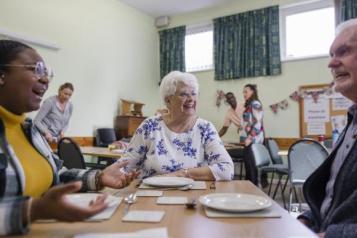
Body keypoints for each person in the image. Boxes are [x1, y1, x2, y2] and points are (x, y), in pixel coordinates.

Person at [0, 40, 139, 235]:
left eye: (47, 73)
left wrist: (99, 177)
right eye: (36, 69)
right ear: (2, 75)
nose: (46, 80)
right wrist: (32, 210)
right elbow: (38, 206)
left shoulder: (29, 130)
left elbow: (57, 176)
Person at [297, 19, 357, 238]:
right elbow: (336, 194)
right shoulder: (352, 119)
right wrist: (307, 218)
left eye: (343, 51)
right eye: (331, 55)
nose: (331, 64)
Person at [120, 71, 234, 180]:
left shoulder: (205, 128)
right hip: (151, 195)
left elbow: (227, 169)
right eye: (183, 94)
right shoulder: (150, 126)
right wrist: (104, 178)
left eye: (194, 93)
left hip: (193, 195)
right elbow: (124, 166)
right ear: (168, 100)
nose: (191, 99)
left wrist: (182, 174)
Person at [240, 84, 265, 186]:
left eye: (246, 91)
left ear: (252, 92)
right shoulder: (249, 105)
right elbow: (248, 122)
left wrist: (250, 137)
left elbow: (258, 123)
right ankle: (249, 190)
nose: (244, 94)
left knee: (251, 168)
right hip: (247, 140)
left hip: (252, 140)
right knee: (249, 168)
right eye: (243, 92)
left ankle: (253, 191)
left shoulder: (255, 104)